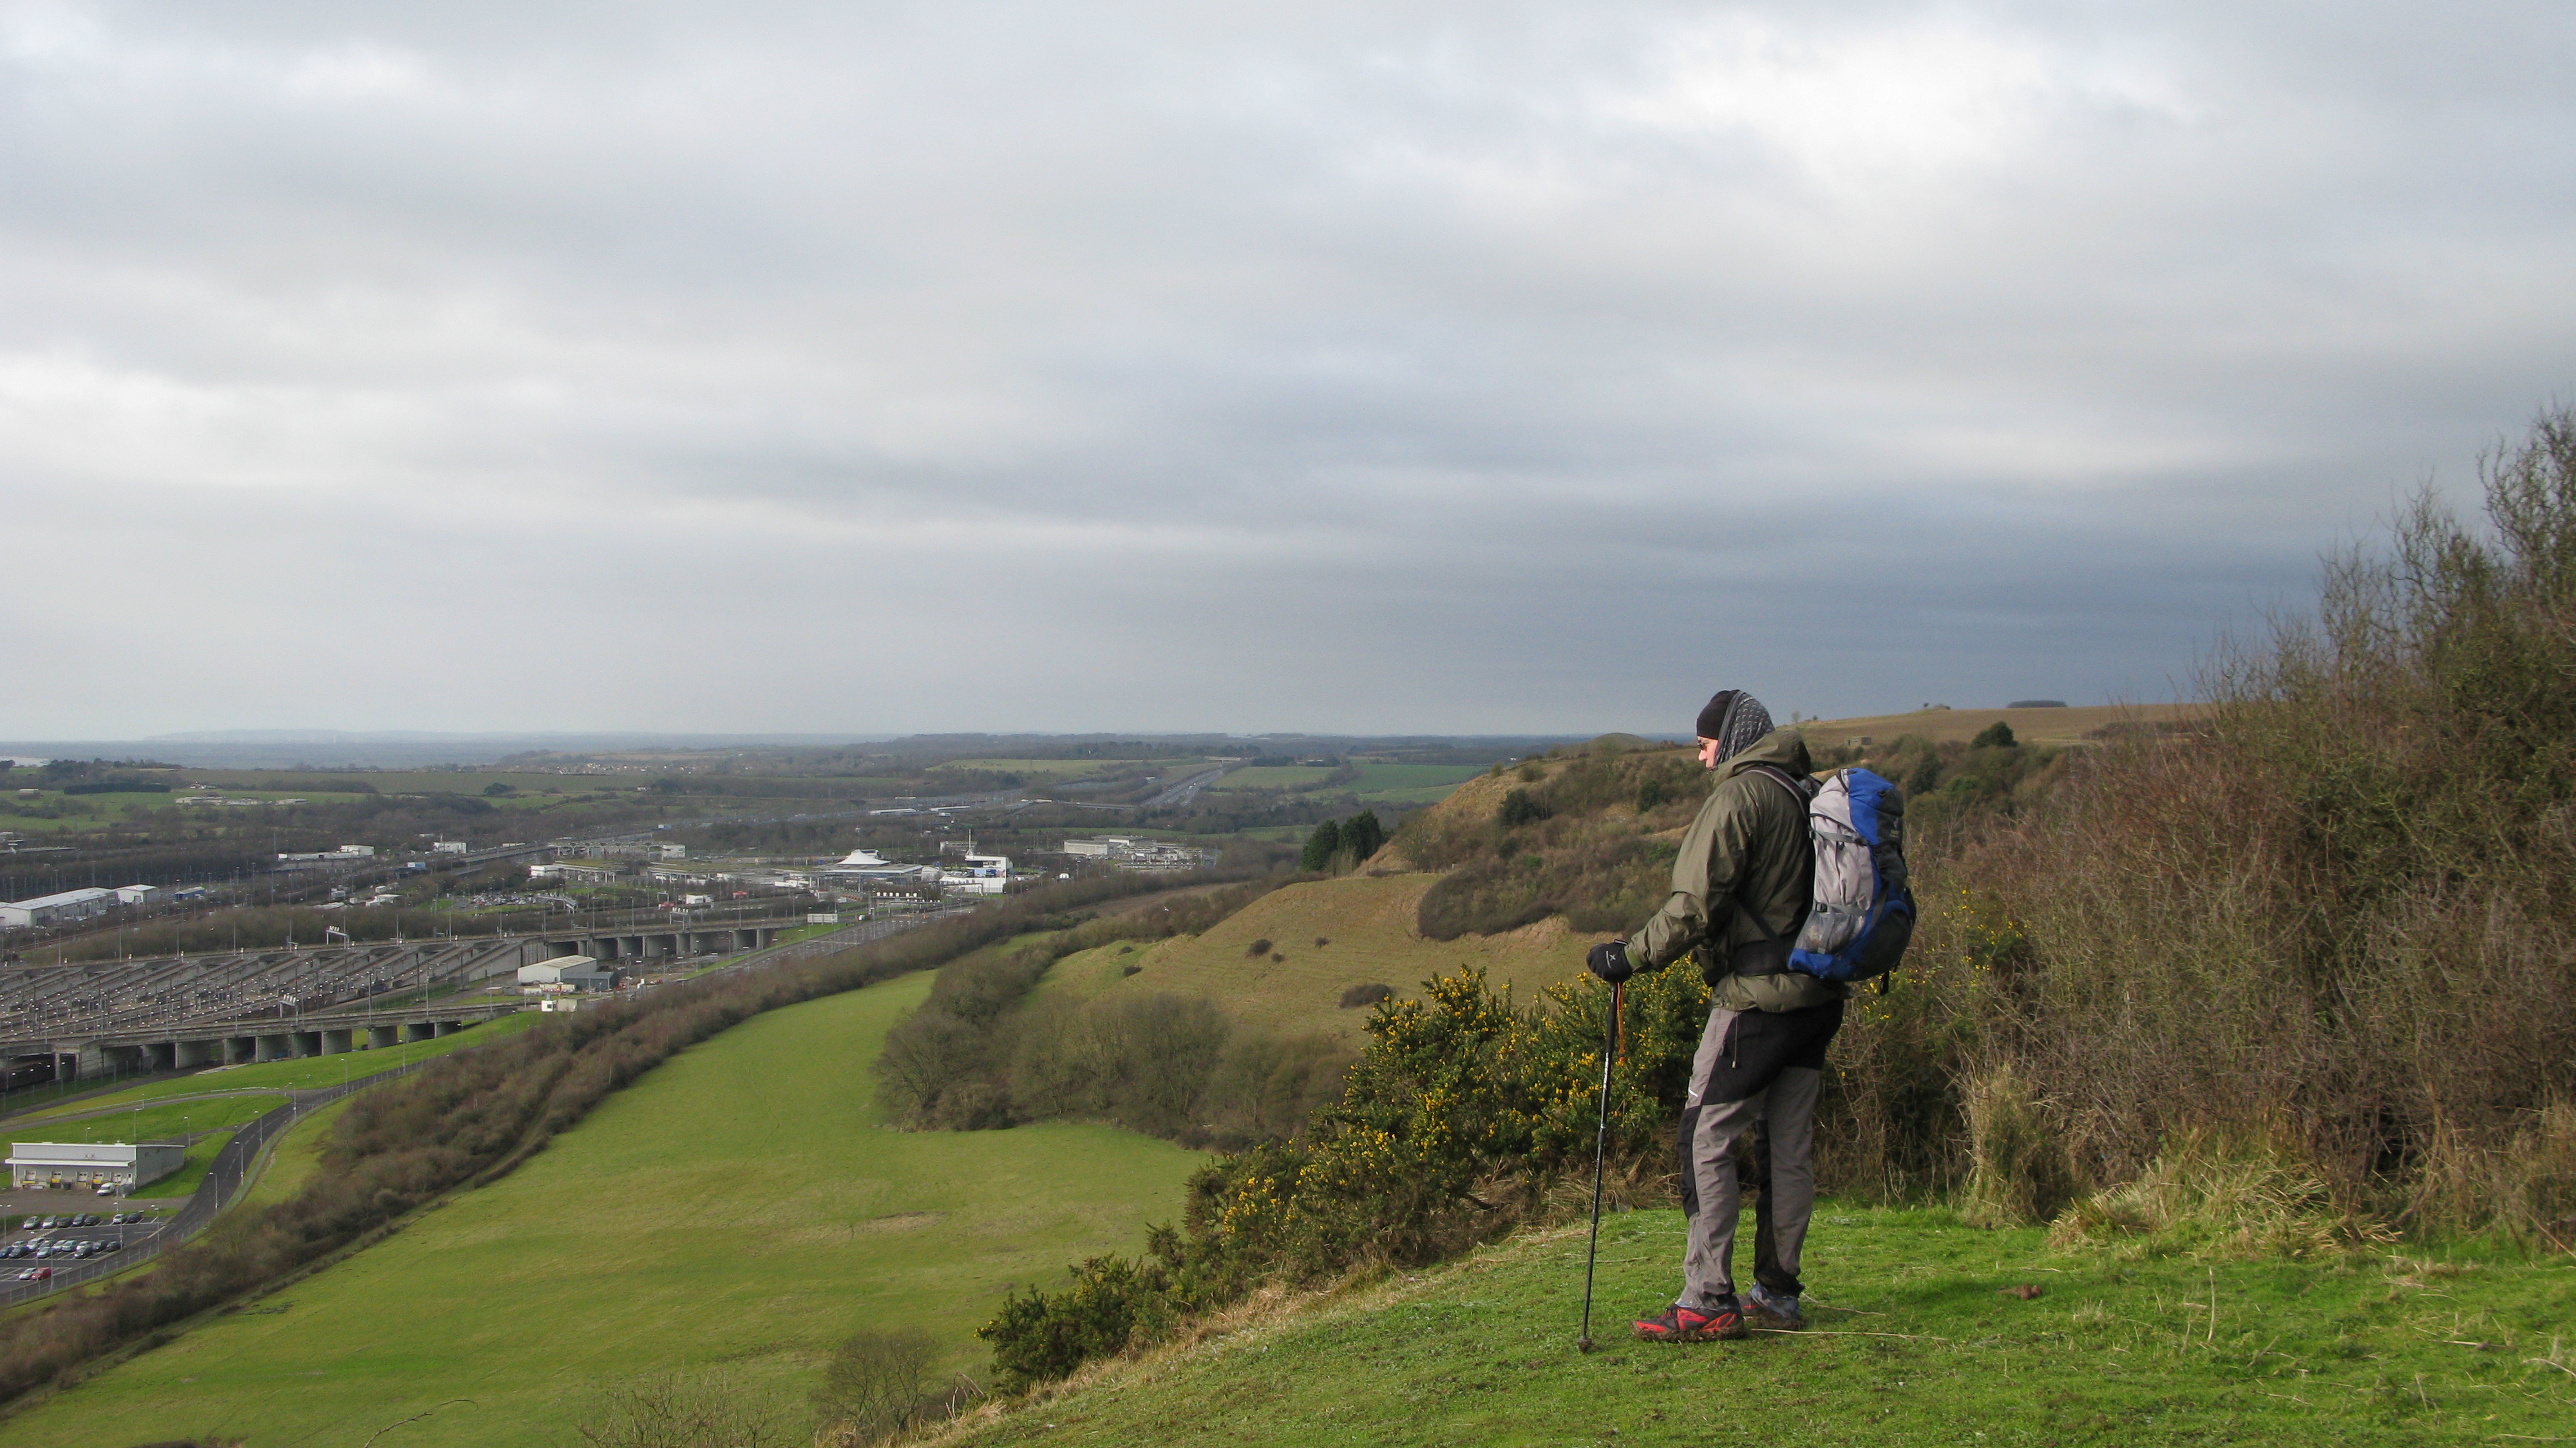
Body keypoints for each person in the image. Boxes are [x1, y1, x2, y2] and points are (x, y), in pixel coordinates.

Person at [1584, 689, 1844, 1343]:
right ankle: (1777, 1293)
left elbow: (1693, 906)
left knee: (1706, 1137)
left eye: (1703, 746)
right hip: (1818, 999)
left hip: (1755, 1001)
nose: (1702, 761)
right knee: (1787, 1145)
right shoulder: (1802, 791)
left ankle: (1706, 1296)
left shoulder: (1739, 797)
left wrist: (1628, 957)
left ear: (1728, 739)